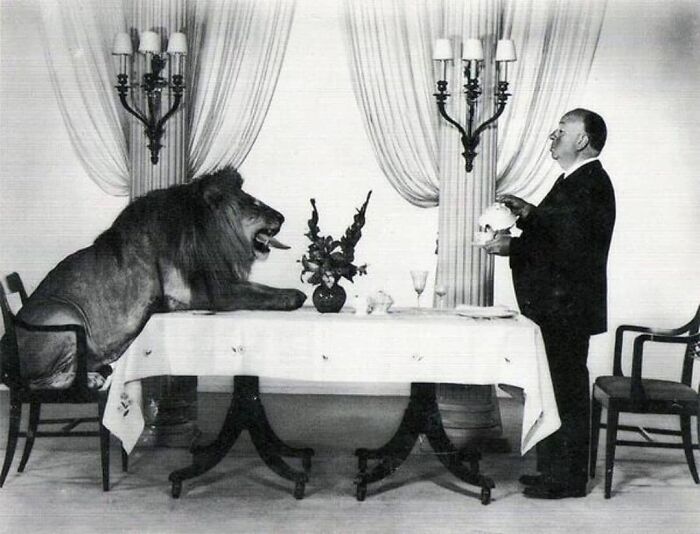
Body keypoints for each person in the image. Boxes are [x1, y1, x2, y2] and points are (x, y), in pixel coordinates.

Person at [484, 108, 616, 499]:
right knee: (556, 388)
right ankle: (554, 470)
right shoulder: (575, 180)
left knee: (566, 389)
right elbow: (558, 230)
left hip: (568, 309)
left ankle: (569, 479)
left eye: (561, 131)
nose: (552, 137)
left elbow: (570, 248)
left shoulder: (590, 182)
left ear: (582, 140)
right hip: (562, 306)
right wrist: (528, 212)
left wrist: (514, 245)